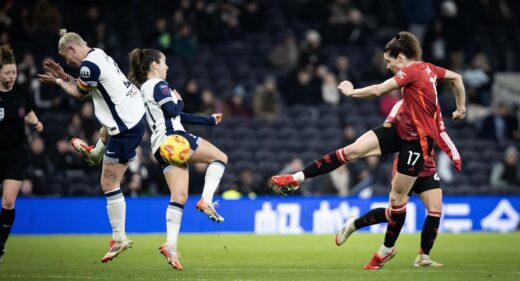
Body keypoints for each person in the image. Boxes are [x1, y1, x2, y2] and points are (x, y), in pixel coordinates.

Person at [269, 31, 466, 269]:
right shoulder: (430, 69)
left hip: (418, 144)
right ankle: (297, 178)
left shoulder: (412, 70)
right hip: (399, 131)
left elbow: (379, 90)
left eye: (389, 61)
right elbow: (456, 78)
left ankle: (388, 250)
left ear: (402, 57)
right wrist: (460, 107)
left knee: (397, 200)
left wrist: (352, 92)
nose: (388, 65)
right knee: (351, 151)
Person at [37, 29, 146, 263]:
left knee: (108, 182)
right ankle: (95, 152)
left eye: (67, 58)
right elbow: (85, 83)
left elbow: (79, 94)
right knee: (104, 128)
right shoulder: (98, 54)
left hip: (126, 126)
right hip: (133, 115)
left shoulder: (88, 66)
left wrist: (58, 80)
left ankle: (119, 238)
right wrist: (66, 75)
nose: (68, 62)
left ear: (73, 48)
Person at [128, 48, 228, 270]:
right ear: (154, 65)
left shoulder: (144, 89)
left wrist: (207, 120)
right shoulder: (159, 85)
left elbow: (175, 115)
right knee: (220, 158)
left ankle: (171, 245)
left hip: (159, 147)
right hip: (174, 140)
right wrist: (178, 99)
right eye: (164, 63)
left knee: (179, 196)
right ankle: (207, 199)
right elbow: (175, 109)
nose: (167, 67)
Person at [336, 99, 461, 269]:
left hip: (427, 166)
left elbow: (441, 131)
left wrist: (454, 154)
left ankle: (423, 256)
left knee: (435, 210)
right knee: (394, 213)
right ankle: (355, 225)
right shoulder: (403, 104)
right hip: (406, 164)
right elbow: (387, 128)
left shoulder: (433, 105)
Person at [0, 45, 44, 262]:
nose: (11, 77)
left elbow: (26, 111)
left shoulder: (21, 92)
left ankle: (0, 245)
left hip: (16, 154)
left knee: (8, 202)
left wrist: (36, 123)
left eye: (14, 73)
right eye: (7, 73)